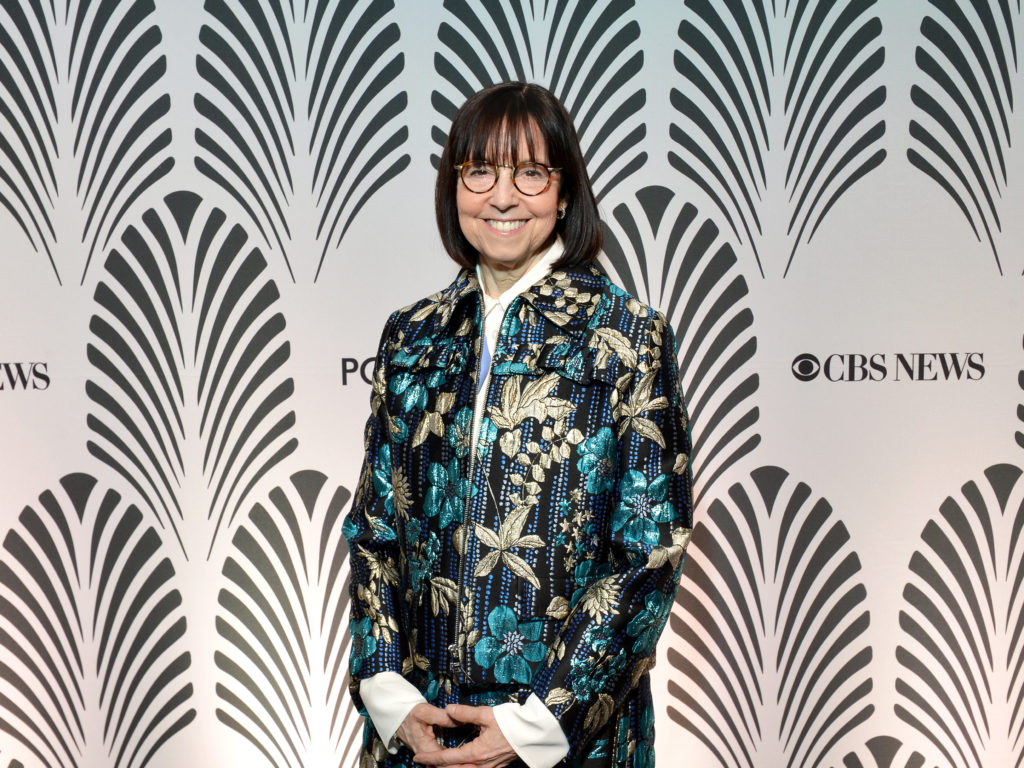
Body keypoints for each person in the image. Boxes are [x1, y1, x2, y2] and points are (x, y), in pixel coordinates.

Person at [344, 81, 693, 768]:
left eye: (530, 173)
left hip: (571, 744)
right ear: (453, 188)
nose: (502, 197)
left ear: (565, 192)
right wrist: (388, 694)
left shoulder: (625, 336)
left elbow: (648, 552)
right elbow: (376, 532)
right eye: (479, 172)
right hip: (420, 737)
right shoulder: (412, 336)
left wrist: (539, 725)